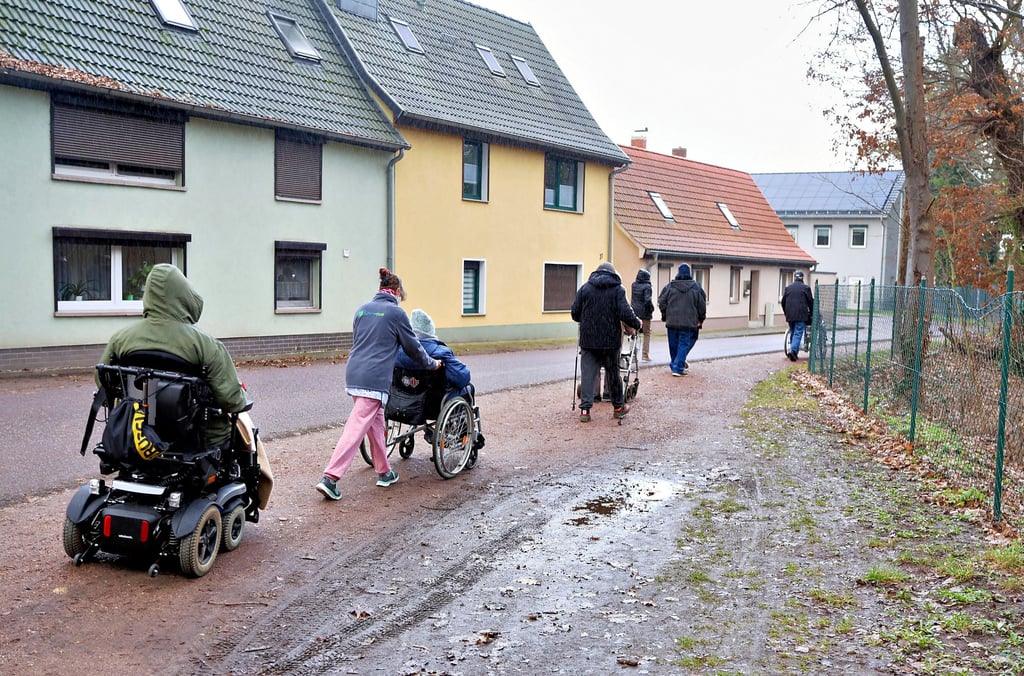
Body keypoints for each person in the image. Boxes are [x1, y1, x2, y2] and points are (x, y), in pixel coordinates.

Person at [315, 268, 441, 501]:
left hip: (354, 374)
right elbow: (413, 347)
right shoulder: (396, 313)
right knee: (356, 428)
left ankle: (384, 472)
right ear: (395, 291)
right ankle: (330, 477)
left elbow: (363, 342)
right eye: (401, 295)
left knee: (376, 423)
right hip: (375, 380)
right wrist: (432, 364)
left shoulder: (362, 309)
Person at [98, 263, 248, 448]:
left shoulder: (121, 339)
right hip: (198, 441)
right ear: (184, 297)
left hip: (138, 436)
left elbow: (102, 381)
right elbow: (230, 400)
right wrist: (240, 396)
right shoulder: (206, 345)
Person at [570, 262, 641, 422]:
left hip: (588, 340)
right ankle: (618, 407)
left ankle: (585, 411)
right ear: (612, 274)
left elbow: (575, 313)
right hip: (611, 341)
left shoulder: (585, 289)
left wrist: (588, 316)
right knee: (613, 374)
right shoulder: (618, 289)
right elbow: (625, 313)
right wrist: (637, 323)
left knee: (588, 374)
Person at [396, 308, 471, 398]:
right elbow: (462, 378)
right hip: (433, 402)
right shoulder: (441, 352)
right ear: (430, 331)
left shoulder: (398, 351)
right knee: (469, 388)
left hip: (402, 399)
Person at [657, 263, 706, 376]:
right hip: (689, 322)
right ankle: (678, 367)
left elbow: (661, 301)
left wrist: (665, 315)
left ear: (678, 273)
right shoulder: (696, 287)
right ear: (689, 274)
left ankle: (676, 364)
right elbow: (701, 305)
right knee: (684, 343)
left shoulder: (670, 286)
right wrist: (701, 318)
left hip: (672, 321)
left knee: (673, 345)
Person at [781, 270, 814, 362]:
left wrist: (786, 312)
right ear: (802, 278)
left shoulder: (788, 288)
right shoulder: (806, 288)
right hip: (801, 315)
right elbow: (811, 303)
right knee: (798, 332)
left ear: (794, 277)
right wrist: (812, 313)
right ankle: (793, 351)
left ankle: (792, 349)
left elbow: (783, 302)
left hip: (790, 315)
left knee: (793, 331)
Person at [630, 268, 655, 361]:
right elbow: (647, 300)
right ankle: (645, 355)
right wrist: (651, 309)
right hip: (645, 314)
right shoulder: (647, 287)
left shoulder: (634, 285)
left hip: (634, 313)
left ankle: (632, 356)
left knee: (634, 333)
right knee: (646, 333)